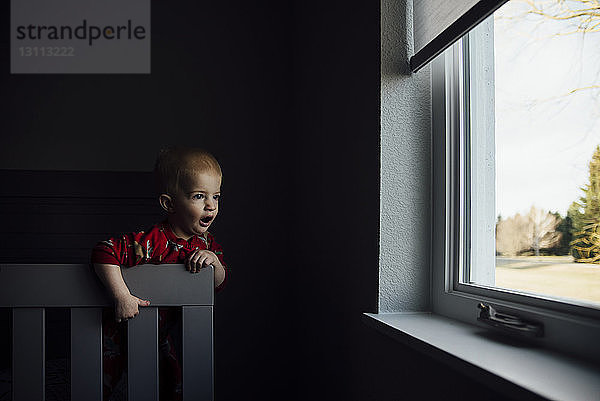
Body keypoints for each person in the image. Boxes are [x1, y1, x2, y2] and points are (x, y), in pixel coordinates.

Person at [90, 146, 228, 401]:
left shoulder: (206, 244)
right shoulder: (155, 241)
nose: (210, 206)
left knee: (172, 385)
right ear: (169, 203)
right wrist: (122, 296)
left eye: (216, 196)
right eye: (198, 196)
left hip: (161, 336)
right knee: (105, 385)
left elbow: (217, 284)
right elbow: (103, 251)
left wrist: (215, 264)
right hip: (124, 330)